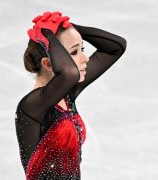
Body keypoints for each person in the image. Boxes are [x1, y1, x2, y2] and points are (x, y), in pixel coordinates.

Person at [14, 11, 127, 179]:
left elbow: (116, 47)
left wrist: (70, 27)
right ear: (48, 63)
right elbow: (69, 74)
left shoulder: (67, 94)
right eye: (74, 53)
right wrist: (47, 36)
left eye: (82, 49)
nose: (85, 59)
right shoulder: (32, 105)